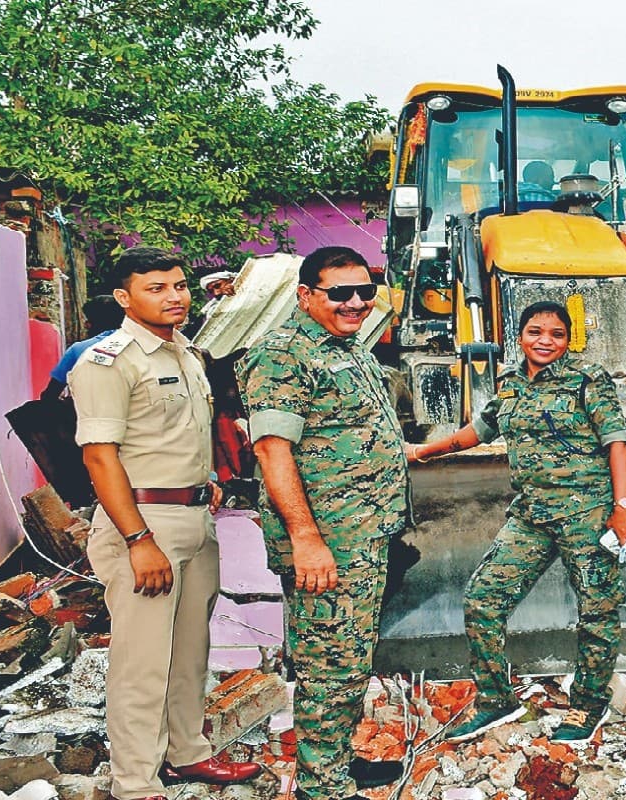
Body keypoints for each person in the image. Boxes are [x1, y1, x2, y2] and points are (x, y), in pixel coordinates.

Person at [405, 300, 626, 745]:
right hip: (531, 516)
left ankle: (588, 707)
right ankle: (497, 701)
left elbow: (617, 442)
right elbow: (475, 432)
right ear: (520, 336)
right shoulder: (510, 385)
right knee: (482, 600)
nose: (545, 341)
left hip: (586, 516)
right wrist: (419, 452)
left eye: (556, 334)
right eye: (535, 332)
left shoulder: (587, 381)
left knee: (597, 613)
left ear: (567, 339)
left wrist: (623, 505)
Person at [68, 247, 259, 800]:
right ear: (125, 299)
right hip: (143, 522)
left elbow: (176, 438)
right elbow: (100, 458)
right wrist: (137, 540)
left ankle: (187, 753)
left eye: (178, 285)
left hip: (195, 517)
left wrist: (207, 481)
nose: (174, 296)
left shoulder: (186, 354)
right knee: (142, 660)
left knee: (189, 649)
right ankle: (135, 781)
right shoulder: (109, 361)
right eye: (156, 288)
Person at [237, 246, 408, 800]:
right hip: (327, 543)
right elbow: (272, 452)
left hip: (362, 535)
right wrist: (307, 541)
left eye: (365, 290)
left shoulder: (345, 347)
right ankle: (321, 787)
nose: (356, 302)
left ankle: (332, 766)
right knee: (329, 667)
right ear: (306, 295)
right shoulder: (284, 355)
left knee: (348, 659)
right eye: (340, 293)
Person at [41, 295, 124, 401]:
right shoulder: (140, 345)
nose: (85, 325)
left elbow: (50, 394)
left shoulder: (78, 350)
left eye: (88, 320)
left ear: (92, 323)